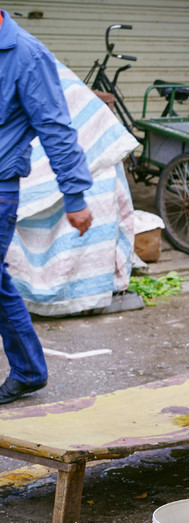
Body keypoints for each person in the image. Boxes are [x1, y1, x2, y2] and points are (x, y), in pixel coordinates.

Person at [0, 8, 93, 404]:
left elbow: (55, 127)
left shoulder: (26, 54)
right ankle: (30, 370)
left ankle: (28, 369)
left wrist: (74, 196)